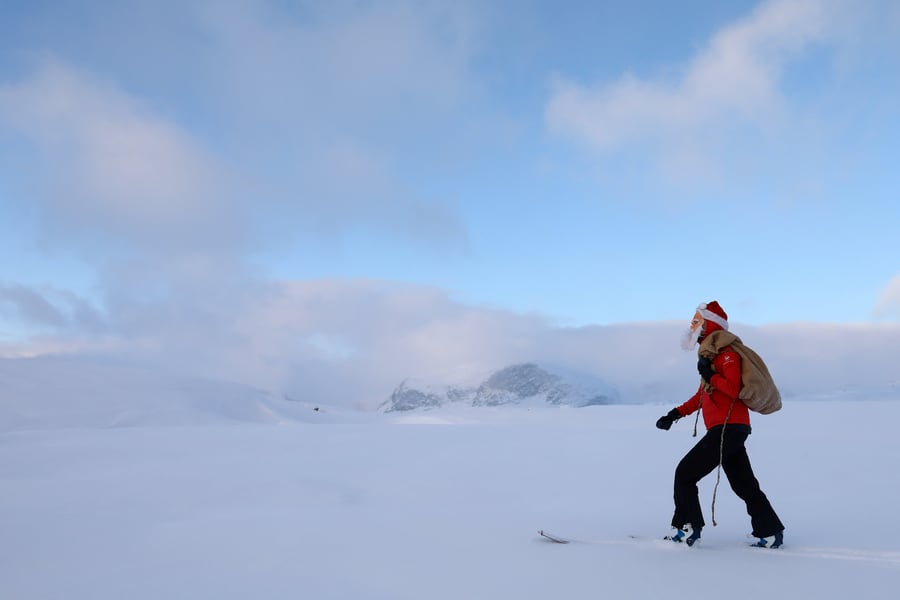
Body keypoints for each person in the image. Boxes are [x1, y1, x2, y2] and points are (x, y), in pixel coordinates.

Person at [655, 301, 784, 548]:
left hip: (728, 429)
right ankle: (769, 532)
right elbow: (701, 397)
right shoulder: (712, 357)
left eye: (696, 321)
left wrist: (709, 373)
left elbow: (732, 389)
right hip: (730, 430)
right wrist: (673, 414)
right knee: (744, 484)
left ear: (709, 324)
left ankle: (686, 528)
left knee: (685, 474)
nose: (691, 326)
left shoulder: (727, 355)